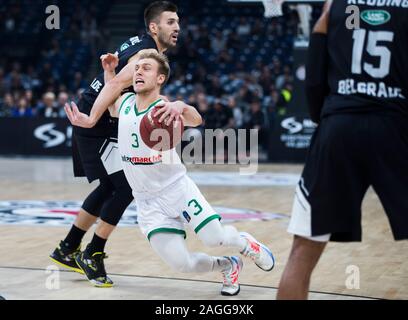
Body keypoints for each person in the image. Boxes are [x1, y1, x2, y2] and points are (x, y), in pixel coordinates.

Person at [65, 51, 275, 296]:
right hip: (147, 202)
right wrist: (110, 71)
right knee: (182, 264)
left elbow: (196, 120)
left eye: (146, 68)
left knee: (214, 238)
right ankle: (229, 265)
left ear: (160, 78)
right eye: (137, 68)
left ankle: (244, 243)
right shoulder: (124, 105)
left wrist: (181, 106)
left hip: (177, 190)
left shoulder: (163, 109)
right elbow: (111, 100)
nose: (139, 72)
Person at [277, 0, 408, 299]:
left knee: (303, 250)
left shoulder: (334, 6)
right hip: (393, 125)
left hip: (339, 126)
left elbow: (313, 77)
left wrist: (324, 119)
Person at [50, 1, 185, 288]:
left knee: (111, 187)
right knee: (125, 187)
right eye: (171, 22)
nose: (177, 28)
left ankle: (67, 248)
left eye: (178, 22)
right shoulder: (144, 53)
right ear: (154, 26)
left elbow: (115, 84)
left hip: (104, 120)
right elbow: (112, 87)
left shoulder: (145, 46)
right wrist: (91, 119)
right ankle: (92, 253)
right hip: (96, 121)